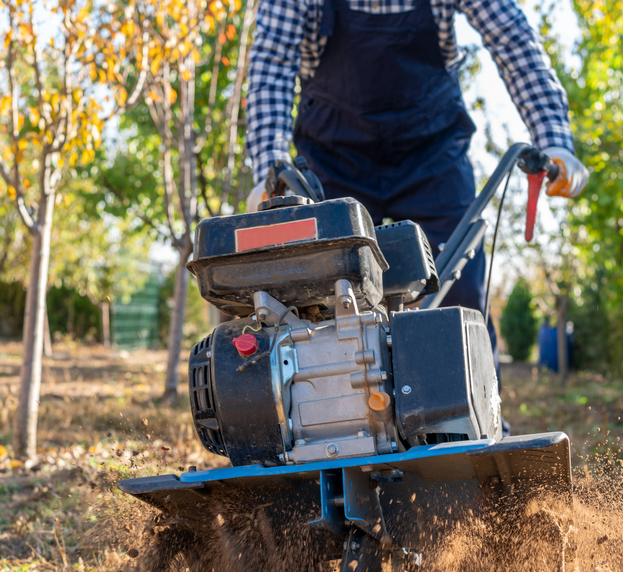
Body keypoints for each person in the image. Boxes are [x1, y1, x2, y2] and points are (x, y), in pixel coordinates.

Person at [245, 0, 590, 341]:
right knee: (321, 304)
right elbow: (272, 64)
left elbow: (512, 38)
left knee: (461, 298)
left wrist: (553, 139)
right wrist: (270, 168)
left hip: (433, 158)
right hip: (332, 164)